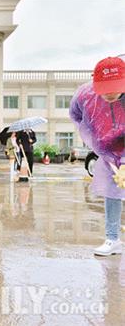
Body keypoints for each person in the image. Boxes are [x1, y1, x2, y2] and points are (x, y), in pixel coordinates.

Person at [70, 56, 125, 256]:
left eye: (116, 87)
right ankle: (113, 239)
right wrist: (91, 135)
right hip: (109, 147)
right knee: (112, 191)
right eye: (105, 89)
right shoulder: (84, 95)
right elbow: (75, 115)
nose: (109, 94)